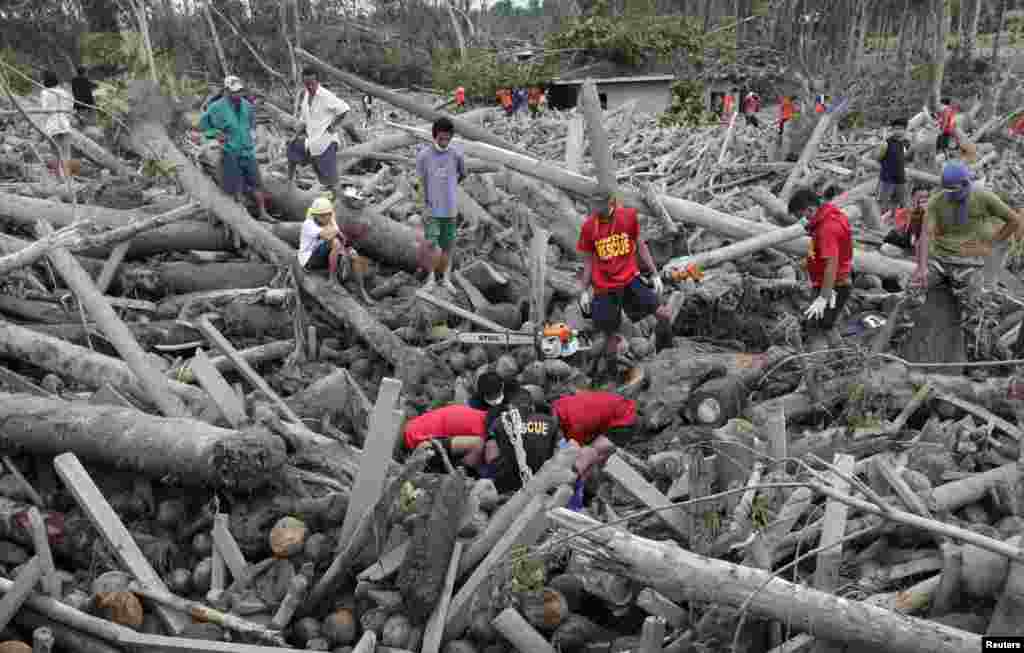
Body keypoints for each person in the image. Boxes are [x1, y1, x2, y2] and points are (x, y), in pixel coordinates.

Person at [910, 161, 1024, 359]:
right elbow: (925, 235)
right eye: (948, 190)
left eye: (955, 190)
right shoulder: (938, 201)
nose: (951, 194)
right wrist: (921, 268)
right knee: (911, 292)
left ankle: (978, 358)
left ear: (966, 184)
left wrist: (992, 243)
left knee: (977, 309)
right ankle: (901, 342)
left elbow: (1014, 220)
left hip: (970, 262)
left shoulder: (983, 196)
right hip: (941, 260)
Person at [577, 192, 672, 387]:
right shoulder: (588, 227)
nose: (596, 213)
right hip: (603, 287)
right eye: (593, 208)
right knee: (608, 336)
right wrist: (584, 291)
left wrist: (654, 274)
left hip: (630, 280)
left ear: (611, 204)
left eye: (600, 207)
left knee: (663, 313)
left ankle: (667, 355)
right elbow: (587, 262)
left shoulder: (628, 218)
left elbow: (641, 247)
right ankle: (612, 377)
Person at [788, 189, 854, 355]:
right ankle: (835, 356)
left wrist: (824, 297)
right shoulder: (832, 215)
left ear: (810, 209)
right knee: (819, 322)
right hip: (831, 281)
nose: (804, 220)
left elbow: (831, 264)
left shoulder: (827, 229)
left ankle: (840, 358)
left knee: (823, 325)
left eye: (803, 215)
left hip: (833, 285)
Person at [199, 76, 272, 221]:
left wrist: (250, 135)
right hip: (230, 150)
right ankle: (242, 215)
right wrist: (214, 133)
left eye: (239, 91)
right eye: (234, 92)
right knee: (236, 185)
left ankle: (263, 213)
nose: (237, 94)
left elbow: (251, 122)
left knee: (257, 182)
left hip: (247, 150)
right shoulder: (216, 107)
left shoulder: (246, 105)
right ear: (226, 91)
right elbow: (204, 125)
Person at [416, 117, 466, 292]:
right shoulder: (424, 156)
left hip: (450, 208)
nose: (444, 142)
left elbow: (462, 174)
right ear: (434, 136)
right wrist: (424, 206)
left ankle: (446, 278)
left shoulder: (456, 155)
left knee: (448, 245)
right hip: (432, 208)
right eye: (441, 138)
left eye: (448, 138)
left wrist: (449, 188)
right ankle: (430, 278)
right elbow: (421, 182)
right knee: (431, 244)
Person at [287, 66, 351, 194]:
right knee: (292, 148)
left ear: (317, 81)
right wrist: (294, 136)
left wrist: (333, 126)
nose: (309, 86)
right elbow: (304, 121)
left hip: (326, 142)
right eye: (306, 84)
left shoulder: (325, 95)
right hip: (311, 141)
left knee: (331, 179)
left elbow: (344, 108)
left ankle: (340, 201)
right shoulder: (306, 96)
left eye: (312, 83)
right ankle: (289, 182)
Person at [485, 391, 561, 494]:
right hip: (540, 485)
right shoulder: (550, 422)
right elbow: (553, 455)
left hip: (506, 486)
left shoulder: (499, 421)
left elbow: (491, 454)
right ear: (532, 407)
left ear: (510, 406)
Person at [552, 390, 638, 481]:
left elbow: (574, 449)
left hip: (625, 422)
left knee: (586, 455)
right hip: (619, 408)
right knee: (587, 454)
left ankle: (574, 482)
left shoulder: (575, 424)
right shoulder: (558, 404)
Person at [403, 404, 489, 470]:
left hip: (413, 427)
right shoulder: (480, 438)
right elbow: (462, 472)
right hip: (414, 442)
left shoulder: (482, 415)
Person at [39, 71, 74, 178]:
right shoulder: (64, 93)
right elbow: (70, 107)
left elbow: (45, 110)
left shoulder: (45, 93)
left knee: (55, 154)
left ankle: (59, 178)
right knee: (67, 153)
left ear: (45, 80)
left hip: (52, 126)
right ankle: (69, 178)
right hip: (65, 125)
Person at [876, 118, 911, 214]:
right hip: (887, 177)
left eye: (900, 129)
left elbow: (908, 158)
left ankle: (893, 217)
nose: (898, 131)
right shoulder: (887, 143)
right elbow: (878, 157)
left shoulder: (906, 143)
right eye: (896, 128)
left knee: (899, 200)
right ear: (892, 130)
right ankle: (880, 219)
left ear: (905, 130)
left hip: (900, 177)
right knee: (883, 201)